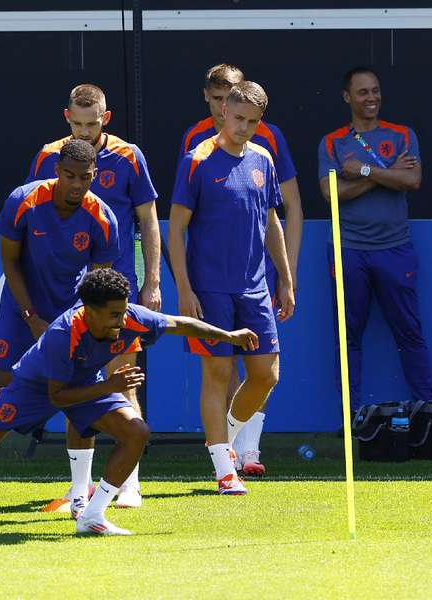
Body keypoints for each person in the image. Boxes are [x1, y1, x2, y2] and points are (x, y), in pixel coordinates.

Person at [0, 268, 258, 536]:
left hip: (86, 384)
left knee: (135, 431)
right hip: (32, 388)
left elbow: (181, 324)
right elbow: (58, 398)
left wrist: (230, 335)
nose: (120, 321)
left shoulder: (129, 317)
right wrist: (112, 384)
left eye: (123, 311)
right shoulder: (64, 333)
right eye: (112, 315)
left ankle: (92, 516)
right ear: (87, 311)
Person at [0, 139, 120, 522]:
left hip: (73, 318)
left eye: (84, 178)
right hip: (20, 313)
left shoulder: (102, 218)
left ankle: (79, 498)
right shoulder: (23, 201)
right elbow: (10, 263)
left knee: (80, 402)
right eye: (69, 176)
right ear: (57, 171)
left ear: (94, 176)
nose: (75, 184)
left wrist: (76, 325)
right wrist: (32, 316)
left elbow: (100, 285)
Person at [25, 83, 162, 510]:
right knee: (76, 385)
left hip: (116, 290)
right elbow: (34, 217)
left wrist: (152, 280)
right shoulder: (49, 157)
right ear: (66, 117)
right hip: (67, 295)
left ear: (107, 117)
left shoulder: (129, 156)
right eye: (77, 124)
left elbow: (148, 219)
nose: (85, 132)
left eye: (93, 123)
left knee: (127, 378)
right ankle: (81, 488)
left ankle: (130, 482)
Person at [168, 81, 295, 495]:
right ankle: (225, 469)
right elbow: (176, 230)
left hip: (255, 287)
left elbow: (272, 221)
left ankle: (227, 435)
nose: (244, 127)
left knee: (266, 375)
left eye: (253, 121)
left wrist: (285, 279)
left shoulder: (263, 159)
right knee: (218, 373)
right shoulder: (197, 160)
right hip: (209, 289)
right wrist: (184, 290)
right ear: (224, 111)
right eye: (238, 118)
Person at [318, 66, 432, 410]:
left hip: (394, 248)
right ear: (347, 97)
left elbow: (412, 181)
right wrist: (388, 174)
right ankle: (352, 418)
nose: (372, 98)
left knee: (409, 332)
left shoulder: (402, 134)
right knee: (348, 336)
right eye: (364, 92)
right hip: (348, 249)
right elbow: (331, 193)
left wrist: (365, 171)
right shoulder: (332, 142)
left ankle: (428, 410)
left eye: (376, 91)